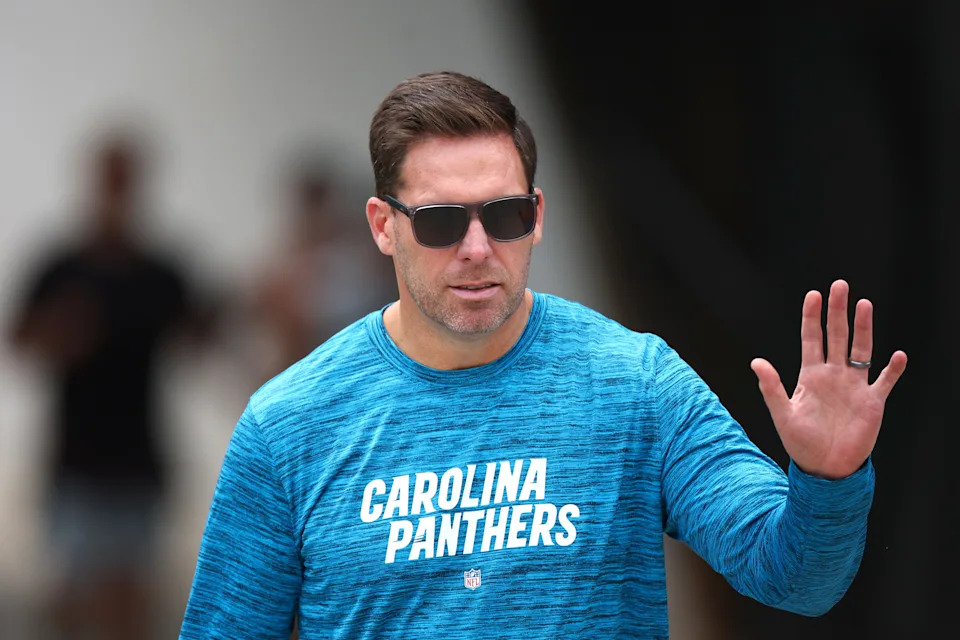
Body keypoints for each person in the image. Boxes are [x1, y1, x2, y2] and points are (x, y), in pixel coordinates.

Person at [178, 71, 908, 639]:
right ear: (382, 225)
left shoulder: (636, 383)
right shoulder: (290, 426)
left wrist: (826, 478)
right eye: (438, 222)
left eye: (504, 215)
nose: (476, 248)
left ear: (537, 216)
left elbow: (795, 579)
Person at [8, 126, 209, 640]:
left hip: (138, 456)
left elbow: (204, 336)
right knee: (74, 595)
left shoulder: (159, 270)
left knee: (131, 597)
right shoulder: (63, 265)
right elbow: (20, 339)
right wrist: (61, 332)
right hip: (76, 457)